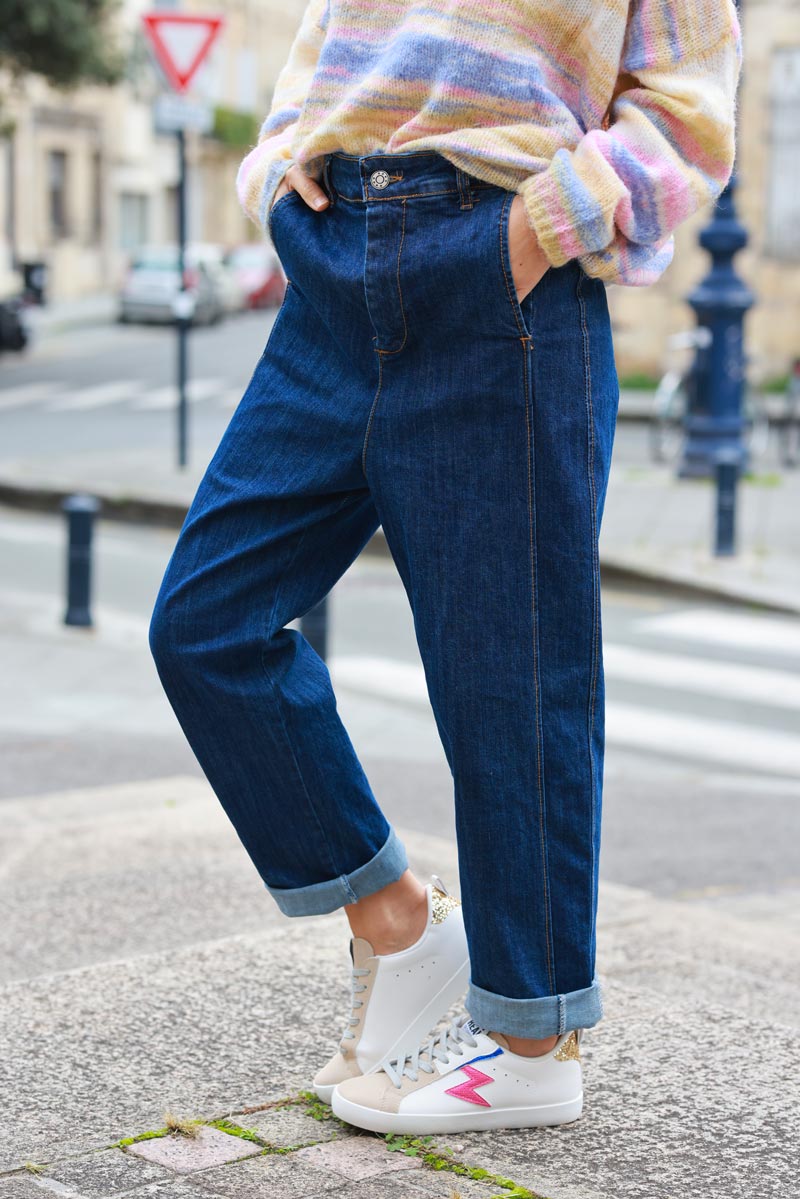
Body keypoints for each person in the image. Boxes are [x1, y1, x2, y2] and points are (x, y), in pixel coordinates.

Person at [149, 0, 742, 1135]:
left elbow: (687, 114)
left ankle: (531, 1036)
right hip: (332, 270)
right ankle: (402, 927)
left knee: (508, 681)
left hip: (499, 273)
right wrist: (277, 171)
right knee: (205, 621)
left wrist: (528, 232)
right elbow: (321, 54)